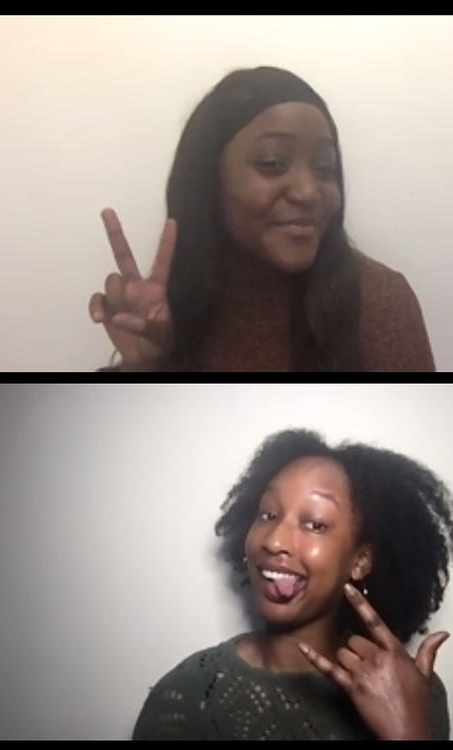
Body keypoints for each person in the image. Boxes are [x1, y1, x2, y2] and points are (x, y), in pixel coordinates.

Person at [88, 66, 435, 372]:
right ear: (208, 181)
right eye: (272, 163)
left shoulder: (381, 302)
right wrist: (147, 368)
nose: (308, 191)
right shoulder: (164, 312)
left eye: (325, 168)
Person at [132, 429, 452, 739]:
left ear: (360, 561)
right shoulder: (188, 698)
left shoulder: (411, 691)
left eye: (314, 524)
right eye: (268, 515)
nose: (274, 541)